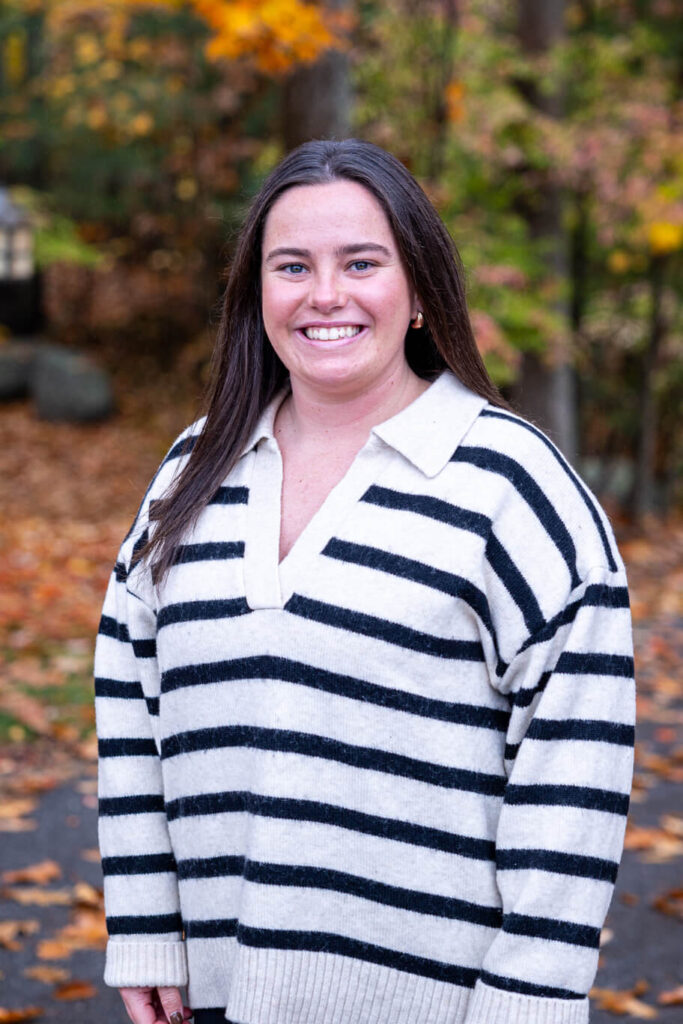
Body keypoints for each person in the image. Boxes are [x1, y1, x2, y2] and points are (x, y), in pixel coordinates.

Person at [94, 139, 635, 1024]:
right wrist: (148, 922)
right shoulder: (193, 470)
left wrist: (532, 999)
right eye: (292, 265)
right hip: (215, 997)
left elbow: (574, 764)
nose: (325, 294)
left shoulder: (509, 483)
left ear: (418, 290)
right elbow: (127, 690)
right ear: (255, 294)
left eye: (361, 263)